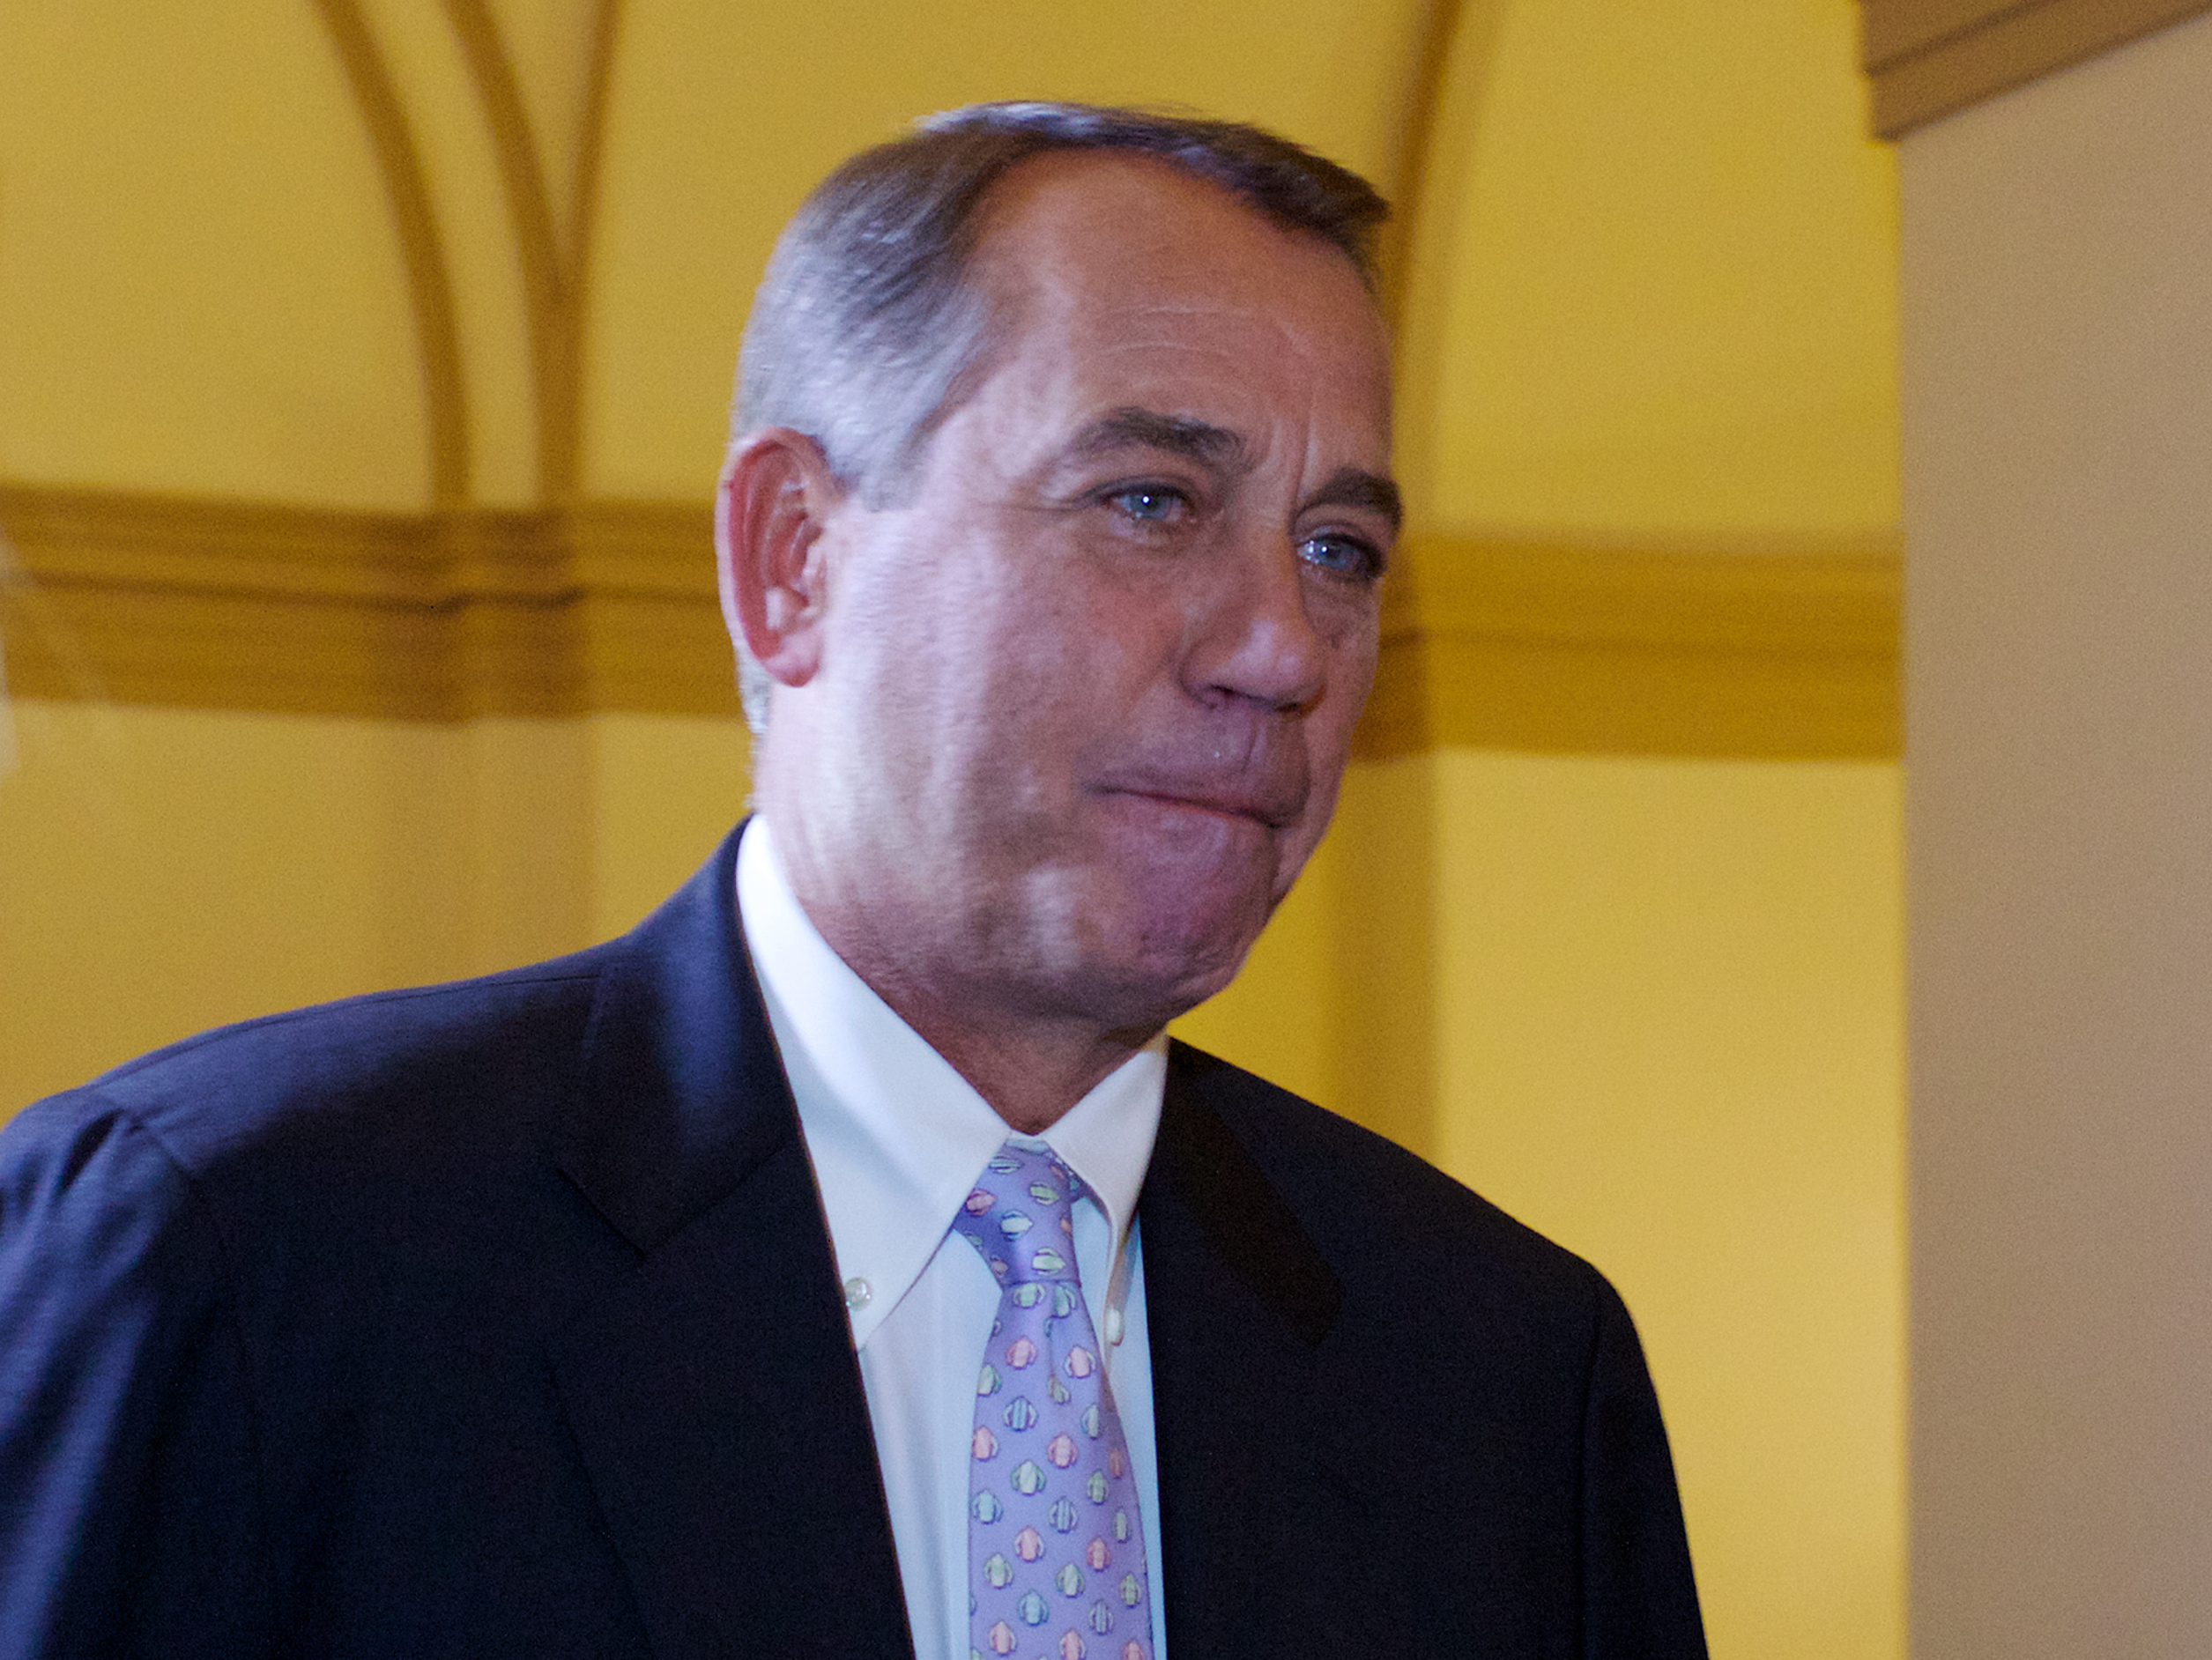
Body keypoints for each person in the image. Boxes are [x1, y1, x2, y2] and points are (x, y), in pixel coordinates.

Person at [0, 103, 1705, 1659]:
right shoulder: (245, 1258)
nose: (1282, 650)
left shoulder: (1500, 1373)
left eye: (1338, 549)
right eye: (1149, 500)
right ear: (792, 561)